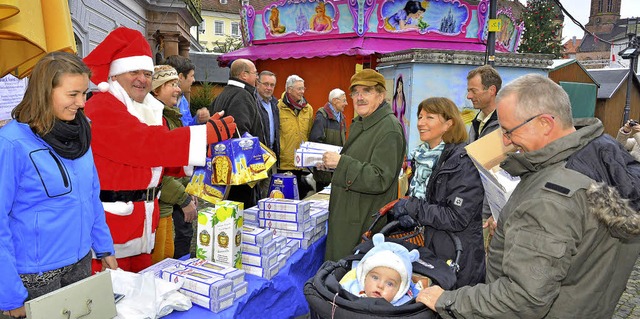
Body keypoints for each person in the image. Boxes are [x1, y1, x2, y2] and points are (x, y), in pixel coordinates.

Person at [417, 74, 640, 318]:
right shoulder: (601, 157)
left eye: (508, 130)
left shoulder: (552, 196)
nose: (505, 141)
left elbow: (522, 298)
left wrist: (447, 300)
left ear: (545, 123)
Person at [83, 27, 236, 273]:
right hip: (112, 231)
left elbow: (158, 161)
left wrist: (209, 150)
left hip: (141, 227)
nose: (142, 79)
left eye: (146, 72)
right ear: (115, 74)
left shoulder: (144, 108)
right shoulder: (102, 108)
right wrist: (205, 134)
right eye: (134, 71)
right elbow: (146, 145)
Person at [0, 52, 117, 318]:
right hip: (34, 278)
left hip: (80, 264)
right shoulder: (11, 143)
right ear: (44, 92)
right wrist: (9, 295)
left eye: (85, 93)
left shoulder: (80, 133)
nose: (82, 103)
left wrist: (104, 245)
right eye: (73, 94)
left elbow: (90, 195)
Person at [389, 97, 485, 288]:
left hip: (457, 256)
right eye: (420, 116)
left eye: (429, 117)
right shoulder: (424, 156)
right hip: (430, 249)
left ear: (448, 123)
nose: (420, 123)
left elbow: (456, 217)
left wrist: (413, 208)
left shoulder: (462, 162)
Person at [321, 69, 406, 261]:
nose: (359, 97)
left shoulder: (388, 129)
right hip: (351, 216)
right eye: (355, 92)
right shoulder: (365, 121)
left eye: (366, 91)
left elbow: (380, 179)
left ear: (381, 95)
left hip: (362, 222)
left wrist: (342, 163)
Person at [147, 65, 198, 263]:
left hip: (166, 207)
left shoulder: (169, 116)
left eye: (177, 84)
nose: (178, 89)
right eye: (171, 84)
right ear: (156, 89)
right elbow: (159, 171)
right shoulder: (156, 120)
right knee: (159, 264)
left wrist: (189, 189)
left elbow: (178, 163)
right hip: (159, 209)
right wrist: (183, 198)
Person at [163, 56, 206, 259]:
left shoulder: (181, 104)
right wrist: (183, 195)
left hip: (181, 179)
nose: (192, 82)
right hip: (169, 189)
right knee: (175, 236)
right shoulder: (158, 116)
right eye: (191, 77)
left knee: (183, 232)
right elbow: (163, 165)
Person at [211, 59, 265, 208]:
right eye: (255, 73)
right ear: (244, 75)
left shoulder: (222, 95)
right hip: (241, 173)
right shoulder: (242, 95)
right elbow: (240, 135)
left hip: (223, 169)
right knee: (242, 216)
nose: (257, 78)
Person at [340, 234, 419, 306]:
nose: (380, 286)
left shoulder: (405, 306)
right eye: (375, 278)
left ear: (400, 290)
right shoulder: (350, 289)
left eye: (390, 284)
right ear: (364, 277)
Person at [278, 74, 314, 198]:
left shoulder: (308, 109)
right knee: (282, 199)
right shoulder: (277, 107)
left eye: (303, 88)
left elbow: (308, 132)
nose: (302, 92)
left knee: (297, 198)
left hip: (300, 162)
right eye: (299, 89)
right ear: (289, 89)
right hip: (283, 163)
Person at [309, 88, 347, 191]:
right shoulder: (322, 117)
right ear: (335, 101)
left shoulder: (342, 118)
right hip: (324, 173)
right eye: (344, 100)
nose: (346, 103)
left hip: (337, 170)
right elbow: (315, 142)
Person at [164, 55, 210, 126]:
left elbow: (187, 127)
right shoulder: (164, 101)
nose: (194, 80)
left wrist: (198, 120)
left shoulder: (183, 100)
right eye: (192, 76)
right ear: (181, 77)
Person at [256, 71, 281, 197]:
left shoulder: (274, 104)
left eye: (272, 85)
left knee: (269, 193)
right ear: (257, 83)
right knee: (255, 194)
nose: (269, 88)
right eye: (266, 84)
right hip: (256, 157)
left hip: (271, 156)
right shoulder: (252, 102)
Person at [466, 65, 501, 143]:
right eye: (468, 91)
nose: (469, 96)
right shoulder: (477, 121)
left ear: (492, 90)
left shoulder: (507, 123)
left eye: (474, 91)